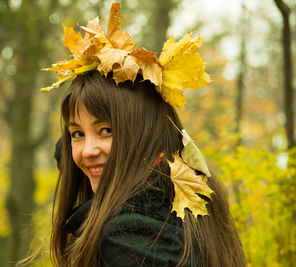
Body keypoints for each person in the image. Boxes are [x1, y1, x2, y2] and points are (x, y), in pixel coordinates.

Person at [41, 3, 246, 267]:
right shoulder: (174, 198)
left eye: (106, 130)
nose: (87, 150)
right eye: (77, 134)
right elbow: (71, 153)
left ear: (142, 136)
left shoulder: (126, 237)